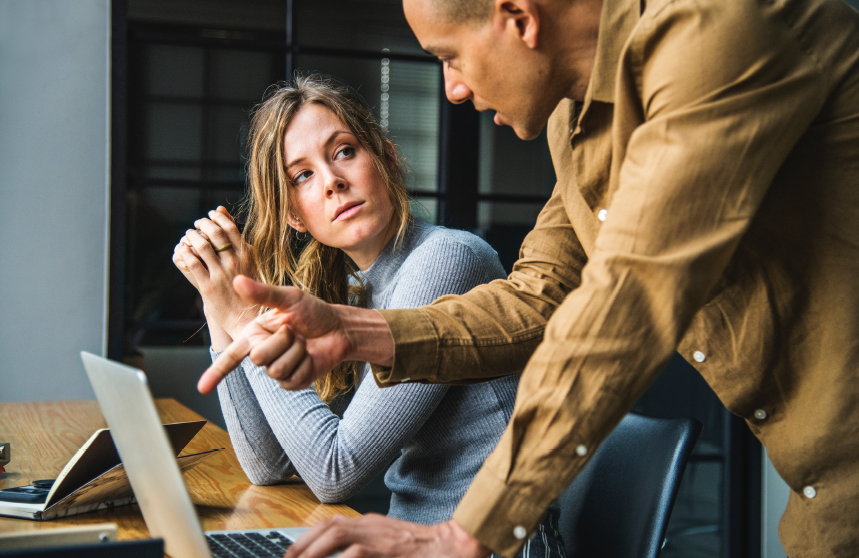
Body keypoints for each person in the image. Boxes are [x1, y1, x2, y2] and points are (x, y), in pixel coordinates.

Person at [201, 0, 859, 556]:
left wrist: (463, 536)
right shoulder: (576, 122)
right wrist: (352, 329)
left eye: (448, 57)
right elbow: (538, 295)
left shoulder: (717, 32)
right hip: (822, 495)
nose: (453, 88)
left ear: (517, 16)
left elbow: (625, 301)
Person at [173, 75, 565, 558]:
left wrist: (247, 316)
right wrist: (219, 300)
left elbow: (334, 471)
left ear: (386, 158)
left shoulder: (448, 259)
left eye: (343, 152)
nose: (333, 182)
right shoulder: (356, 291)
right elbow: (267, 464)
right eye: (303, 176)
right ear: (295, 215)